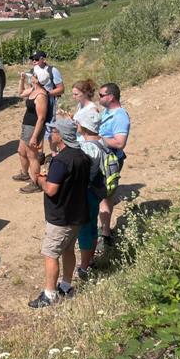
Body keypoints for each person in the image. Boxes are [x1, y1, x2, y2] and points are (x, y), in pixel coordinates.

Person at [28, 118, 90, 308]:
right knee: (68, 250)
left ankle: (50, 294)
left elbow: (51, 189)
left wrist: (38, 177)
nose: (50, 134)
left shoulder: (61, 160)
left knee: (50, 253)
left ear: (60, 136)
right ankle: (66, 285)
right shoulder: (81, 155)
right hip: (77, 214)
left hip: (61, 217)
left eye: (52, 131)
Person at [73, 108, 107, 278]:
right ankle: (90, 260)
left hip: (85, 194)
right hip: (95, 192)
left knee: (84, 231)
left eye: (78, 122)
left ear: (84, 127)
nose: (76, 125)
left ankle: (84, 266)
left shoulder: (87, 148)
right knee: (92, 227)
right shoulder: (101, 144)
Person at [96, 82, 131, 248]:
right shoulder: (107, 111)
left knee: (106, 196)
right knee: (102, 196)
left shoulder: (120, 116)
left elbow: (120, 143)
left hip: (111, 161)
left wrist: (98, 138)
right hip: (102, 159)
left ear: (111, 97)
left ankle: (106, 233)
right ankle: (104, 230)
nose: (99, 97)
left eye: (101, 95)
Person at [14, 69, 50, 194]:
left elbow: (41, 118)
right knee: (21, 151)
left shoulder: (41, 95)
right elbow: (21, 93)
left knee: (32, 156)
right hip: (27, 126)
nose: (32, 76)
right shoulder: (34, 90)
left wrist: (35, 136)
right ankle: (25, 174)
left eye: (33, 75)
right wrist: (22, 80)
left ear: (37, 79)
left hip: (33, 128)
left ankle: (36, 183)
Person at [31, 51, 64, 156]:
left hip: (50, 103)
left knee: (51, 128)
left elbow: (61, 89)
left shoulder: (52, 71)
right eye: (32, 59)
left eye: (36, 59)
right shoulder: (33, 71)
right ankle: (40, 153)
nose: (34, 62)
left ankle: (54, 153)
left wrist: (46, 93)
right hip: (37, 103)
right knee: (38, 126)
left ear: (43, 59)